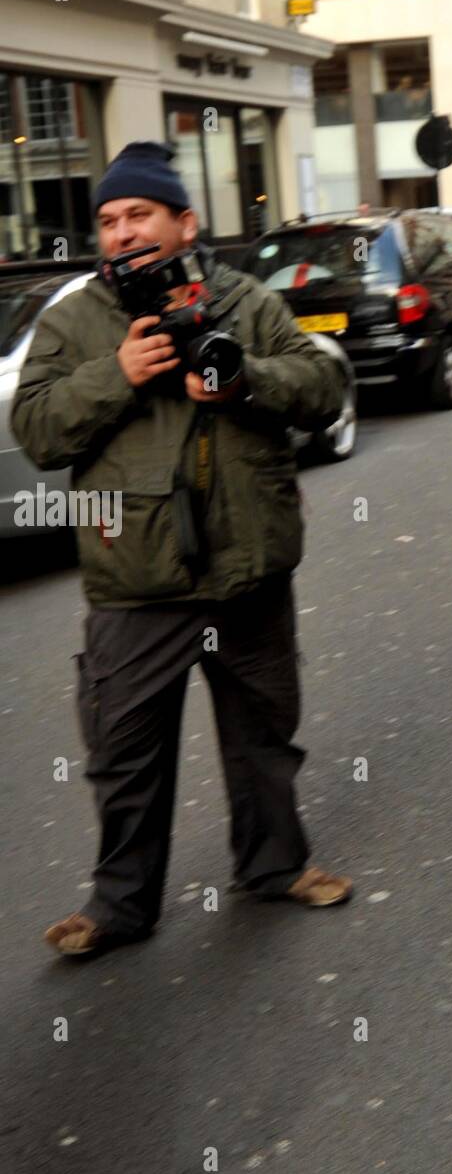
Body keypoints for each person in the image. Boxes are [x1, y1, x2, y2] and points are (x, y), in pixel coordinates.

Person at [12, 141, 355, 959]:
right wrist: (119, 373)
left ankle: (274, 866)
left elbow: (323, 388)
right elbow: (36, 431)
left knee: (264, 737)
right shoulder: (73, 319)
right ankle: (120, 906)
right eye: (108, 221)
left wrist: (246, 383)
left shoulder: (245, 300)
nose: (122, 233)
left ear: (183, 222)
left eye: (139, 215)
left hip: (247, 569)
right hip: (135, 581)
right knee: (123, 754)